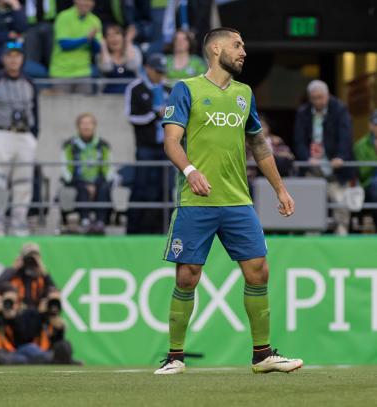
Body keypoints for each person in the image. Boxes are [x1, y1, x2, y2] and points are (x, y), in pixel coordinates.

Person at [156, 27, 302, 375]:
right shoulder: (186, 88)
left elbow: (259, 145)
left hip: (238, 201)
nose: (244, 52)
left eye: (244, 45)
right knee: (187, 277)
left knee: (258, 272)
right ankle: (175, 357)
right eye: (238, 45)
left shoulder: (244, 93)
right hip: (196, 201)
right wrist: (191, 171)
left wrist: (280, 189)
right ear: (216, 48)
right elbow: (172, 142)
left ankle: (262, 355)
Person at [0, 43, 39, 236]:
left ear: (22, 59)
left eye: (17, 56)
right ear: (4, 58)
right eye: (10, 56)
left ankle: (19, 225)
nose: (14, 60)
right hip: (2, 134)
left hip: (24, 135)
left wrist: (33, 135)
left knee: (24, 183)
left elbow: (36, 112)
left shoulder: (29, 82)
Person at [293, 79, 355, 235]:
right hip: (313, 169)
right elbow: (298, 141)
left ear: (328, 95)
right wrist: (307, 157)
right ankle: (311, 238)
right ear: (310, 98)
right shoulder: (303, 112)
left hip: (336, 170)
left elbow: (346, 136)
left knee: (341, 205)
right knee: (310, 207)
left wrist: (340, 156)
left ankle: (342, 239)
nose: (318, 101)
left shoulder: (340, 109)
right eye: (314, 98)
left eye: (321, 97)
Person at [124, 53, 173, 234]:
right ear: (148, 69)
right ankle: (134, 229)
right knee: (141, 186)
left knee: (166, 188)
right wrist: (154, 114)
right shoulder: (135, 88)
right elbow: (131, 116)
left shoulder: (169, 89)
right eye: (157, 71)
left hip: (166, 147)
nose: (160, 75)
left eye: (162, 72)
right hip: (145, 147)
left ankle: (165, 229)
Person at [61, 113, 114, 234]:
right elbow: (65, 170)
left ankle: (100, 222)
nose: (86, 126)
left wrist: (96, 184)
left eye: (89, 123)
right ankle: (85, 221)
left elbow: (109, 169)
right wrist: (83, 183)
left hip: (98, 182)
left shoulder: (103, 145)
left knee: (104, 188)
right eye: (83, 123)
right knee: (81, 188)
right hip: (77, 181)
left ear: (94, 126)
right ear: (78, 126)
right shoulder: (70, 145)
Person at [49, 0, 102, 94]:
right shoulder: (63, 17)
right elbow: (64, 44)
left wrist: (92, 40)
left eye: (90, 1)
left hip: (83, 73)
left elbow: (96, 49)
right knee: (61, 107)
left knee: (84, 108)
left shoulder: (95, 21)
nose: (87, 3)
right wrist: (86, 39)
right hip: (61, 72)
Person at [0, 242, 57, 309]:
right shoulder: (16, 273)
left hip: (37, 312)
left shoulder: (41, 276)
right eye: (29, 256)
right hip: (17, 311)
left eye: (34, 257)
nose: (31, 260)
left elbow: (53, 289)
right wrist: (14, 268)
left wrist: (43, 271)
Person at [246, 114, 294, 194]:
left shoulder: (277, 141)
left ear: (268, 127)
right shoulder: (246, 143)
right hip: (253, 182)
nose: (260, 129)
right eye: (258, 125)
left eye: (263, 126)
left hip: (276, 179)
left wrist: (271, 156)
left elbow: (289, 156)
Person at [97, 24, 142, 94]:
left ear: (123, 37)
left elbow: (133, 65)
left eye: (117, 34)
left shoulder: (133, 50)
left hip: (132, 97)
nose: (114, 38)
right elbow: (106, 68)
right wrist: (103, 47)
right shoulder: (102, 55)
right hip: (108, 98)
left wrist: (128, 41)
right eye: (109, 35)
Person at [353, 110, 377, 228]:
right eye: (376, 124)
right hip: (368, 185)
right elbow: (363, 171)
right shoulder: (361, 145)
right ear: (370, 126)